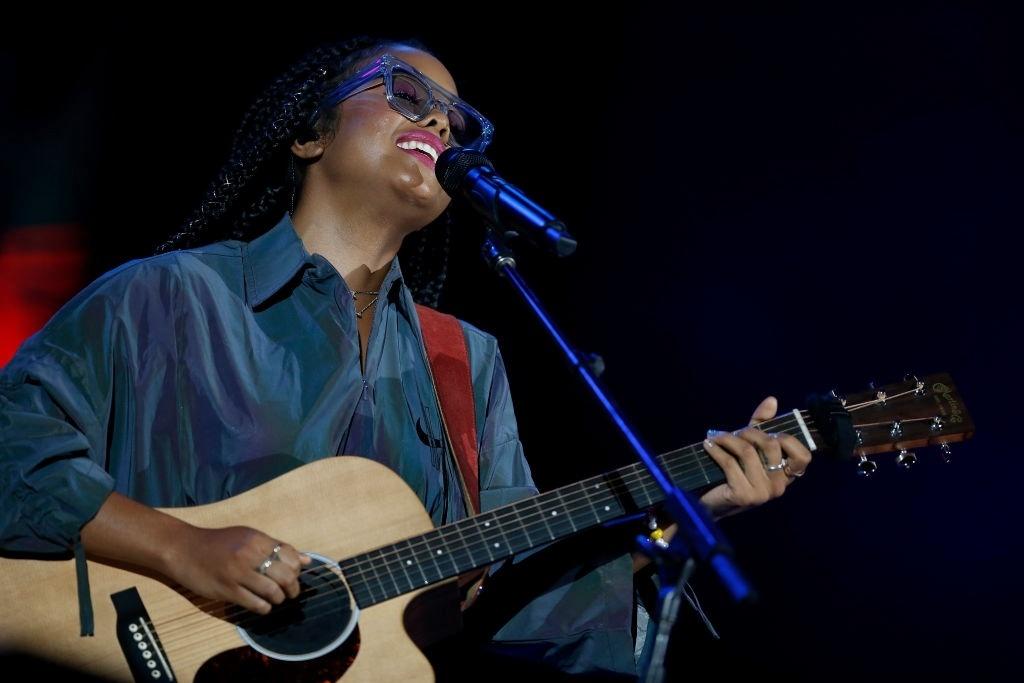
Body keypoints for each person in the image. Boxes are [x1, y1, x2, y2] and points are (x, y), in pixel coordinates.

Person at [0, 35, 812, 679]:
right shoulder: (166, 297)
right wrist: (182, 547)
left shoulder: (467, 362)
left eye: (458, 123)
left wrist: (675, 524)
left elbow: (512, 595)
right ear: (310, 134)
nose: (438, 126)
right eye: (408, 95)